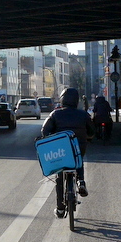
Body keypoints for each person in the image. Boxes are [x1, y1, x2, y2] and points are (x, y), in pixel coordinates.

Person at [40, 87, 96, 218]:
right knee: (78, 158)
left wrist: (51, 139)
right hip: (79, 147)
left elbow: (45, 131)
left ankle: (60, 208)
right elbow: (92, 131)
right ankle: (81, 181)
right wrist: (87, 138)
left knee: (60, 176)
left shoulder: (55, 114)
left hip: (61, 150)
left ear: (62, 99)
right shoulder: (83, 114)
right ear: (76, 101)